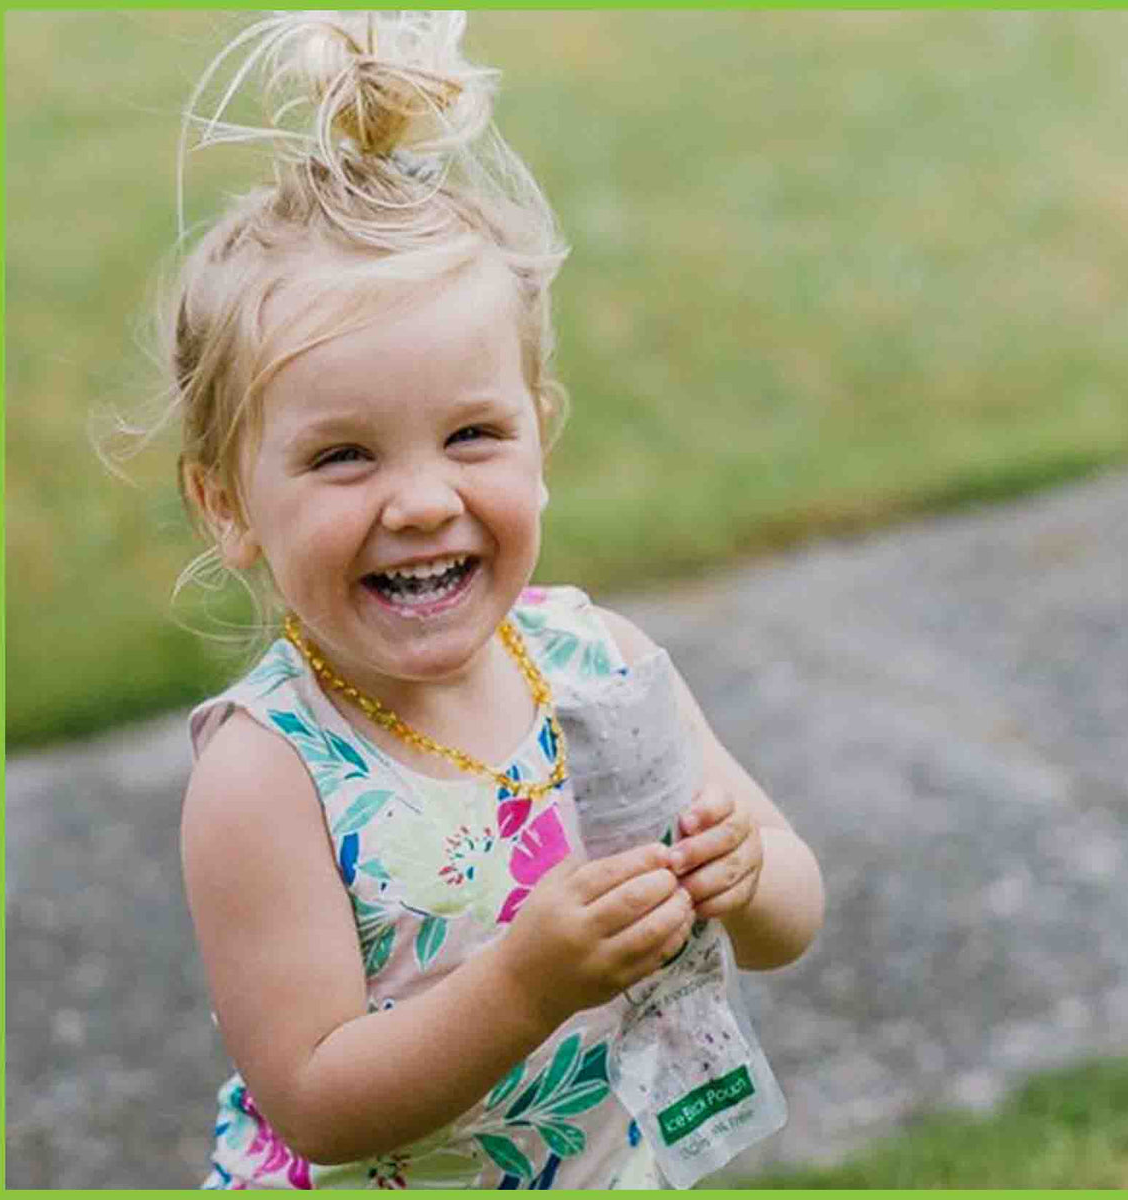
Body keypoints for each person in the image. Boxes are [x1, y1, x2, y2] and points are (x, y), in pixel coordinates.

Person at [169, 11, 824, 1190]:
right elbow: (314, 1098)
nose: (424, 502)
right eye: (344, 456)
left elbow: (793, 907)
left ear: (540, 437)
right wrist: (527, 982)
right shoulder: (268, 776)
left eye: (472, 434)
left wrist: (745, 875)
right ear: (226, 503)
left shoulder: (595, 660)